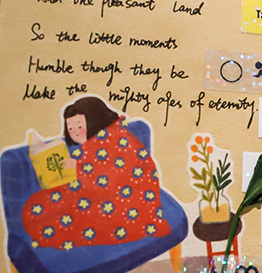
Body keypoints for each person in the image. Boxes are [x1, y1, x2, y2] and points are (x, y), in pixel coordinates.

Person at [22, 97, 170, 250]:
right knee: (43, 203)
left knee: (45, 212)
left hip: (127, 206)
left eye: (79, 126)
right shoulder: (98, 141)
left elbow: (113, 179)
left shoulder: (116, 139)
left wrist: (78, 168)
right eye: (70, 128)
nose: (75, 132)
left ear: (95, 121)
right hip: (104, 196)